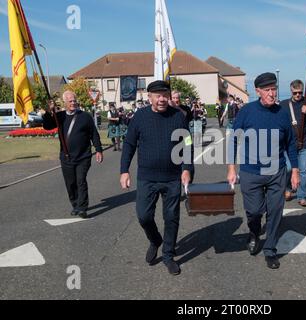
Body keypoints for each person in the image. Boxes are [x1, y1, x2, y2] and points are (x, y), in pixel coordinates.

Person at [227, 72, 299, 270]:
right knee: (254, 211)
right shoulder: (247, 112)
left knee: (276, 210)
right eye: (267, 90)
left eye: (274, 89)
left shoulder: (282, 113)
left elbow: (291, 144)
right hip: (251, 171)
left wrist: (295, 170)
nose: (271, 93)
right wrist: (231, 167)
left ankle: (270, 250)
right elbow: (234, 139)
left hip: (277, 171)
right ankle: (254, 231)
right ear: (257, 91)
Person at [120, 80, 193, 276]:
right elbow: (129, 144)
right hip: (147, 177)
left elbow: (187, 143)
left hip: (172, 177)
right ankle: (155, 240)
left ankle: (168, 255)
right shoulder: (140, 117)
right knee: (144, 216)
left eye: (164, 95)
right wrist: (124, 170)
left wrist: (187, 168)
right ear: (149, 97)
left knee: (171, 218)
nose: (162, 99)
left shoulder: (178, 116)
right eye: (157, 95)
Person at [43, 91, 103, 219]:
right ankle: (75, 204)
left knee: (81, 181)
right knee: (70, 183)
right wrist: (49, 111)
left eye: (74, 100)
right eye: (70, 101)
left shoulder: (85, 116)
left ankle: (82, 207)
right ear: (64, 102)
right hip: (66, 157)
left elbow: (94, 134)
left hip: (83, 156)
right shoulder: (59, 116)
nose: (73, 103)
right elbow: (47, 126)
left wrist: (98, 150)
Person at [280, 80, 306, 207]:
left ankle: (302, 196)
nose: (298, 95)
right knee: (288, 168)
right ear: (291, 91)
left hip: (304, 142)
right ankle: (287, 189)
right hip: (288, 143)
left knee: (303, 171)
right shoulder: (284, 104)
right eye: (295, 92)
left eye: (300, 92)